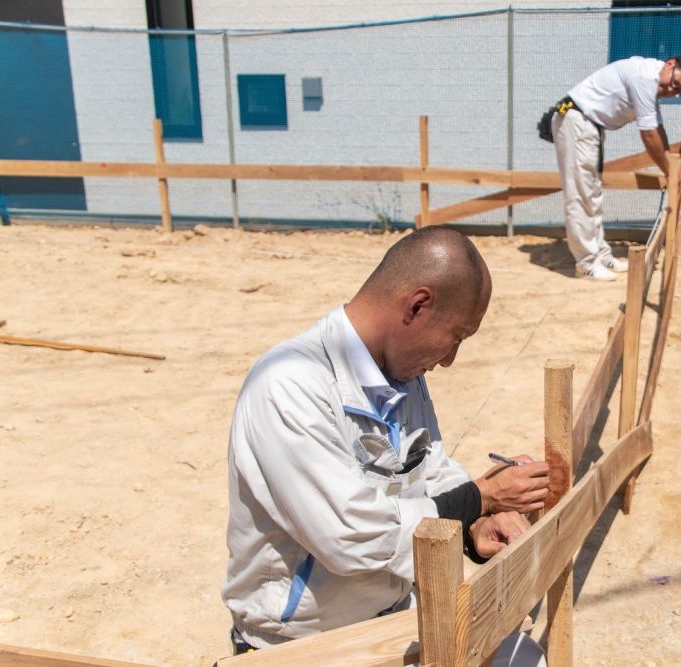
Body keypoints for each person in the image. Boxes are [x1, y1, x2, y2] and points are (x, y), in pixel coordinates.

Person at [222, 227, 550, 664]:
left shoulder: (402, 374)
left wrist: (473, 528)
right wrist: (479, 497)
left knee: (526, 659)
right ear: (417, 305)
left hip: (398, 617)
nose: (450, 359)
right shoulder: (289, 384)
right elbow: (351, 536)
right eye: (456, 336)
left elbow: (431, 467)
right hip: (303, 646)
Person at [551, 55, 681, 281]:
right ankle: (586, 264)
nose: (672, 90)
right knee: (580, 195)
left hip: (588, 125)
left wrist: (673, 167)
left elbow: (658, 130)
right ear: (670, 64)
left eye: (678, 91)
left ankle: (600, 255)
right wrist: (672, 173)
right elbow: (649, 135)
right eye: (674, 83)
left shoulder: (651, 83)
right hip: (577, 120)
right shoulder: (644, 77)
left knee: (592, 194)